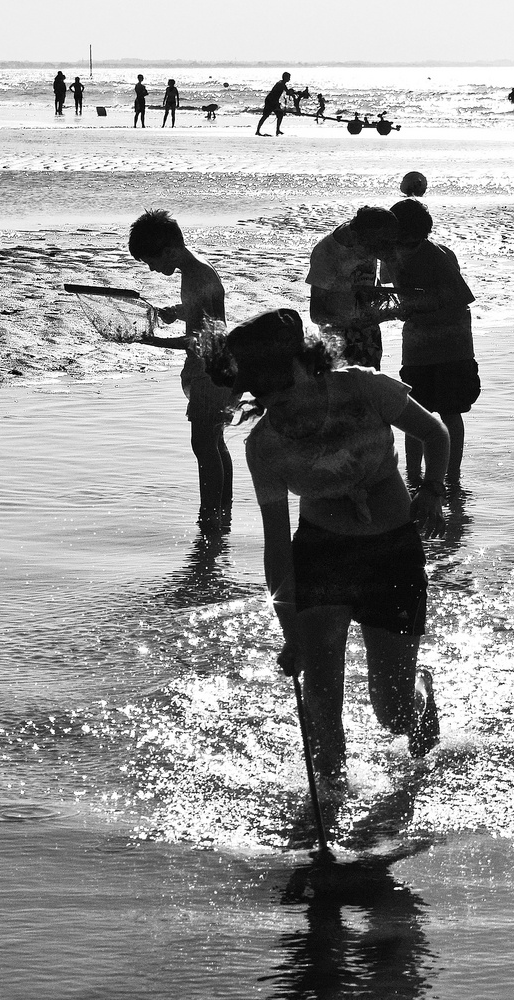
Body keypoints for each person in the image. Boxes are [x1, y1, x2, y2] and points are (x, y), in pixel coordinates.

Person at [214, 308, 448, 782]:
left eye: (280, 386)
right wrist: (289, 629)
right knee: (321, 702)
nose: (275, 403)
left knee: (393, 715)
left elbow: (434, 432)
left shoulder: (365, 389)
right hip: (322, 554)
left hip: (391, 554)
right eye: (262, 394)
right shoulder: (266, 446)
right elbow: (277, 545)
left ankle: (418, 697)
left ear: (305, 363)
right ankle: (330, 798)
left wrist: (432, 491)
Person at [129, 210, 234, 530]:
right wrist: (178, 310)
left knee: (203, 446)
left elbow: (198, 339)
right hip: (220, 368)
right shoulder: (198, 269)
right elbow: (206, 308)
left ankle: (209, 519)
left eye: (151, 260)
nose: (151, 268)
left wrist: (150, 341)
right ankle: (222, 513)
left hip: (209, 371)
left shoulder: (196, 276)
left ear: (170, 251)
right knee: (215, 443)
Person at [389, 199, 479, 490]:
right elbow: (390, 283)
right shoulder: (393, 255)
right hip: (417, 347)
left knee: (450, 411)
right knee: (417, 413)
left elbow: (461, 297)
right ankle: (413, 476)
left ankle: (450, 476)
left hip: (451, 347)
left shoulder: (437, 255)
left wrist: (417, 307)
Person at [306, 206, 400, 370]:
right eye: (379, 246)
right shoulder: (327, 254)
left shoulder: (371, 239)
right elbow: (317, 314)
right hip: (338, 341)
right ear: (359, 236)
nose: (384, 251)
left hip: (369, 335)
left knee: (372, 391)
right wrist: (355, 323)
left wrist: (388, 308)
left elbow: (370, 283)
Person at [257, 71, 291, 136]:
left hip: (274, 101)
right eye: (288, 77)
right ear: (285, 77)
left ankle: (277, 130)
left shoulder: (282, 84)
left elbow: (287, 92)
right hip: (270, 100)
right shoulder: (281, 84)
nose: (289, 78)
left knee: (280, 115)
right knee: (265, 116)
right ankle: (258, 131)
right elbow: (288, 92)